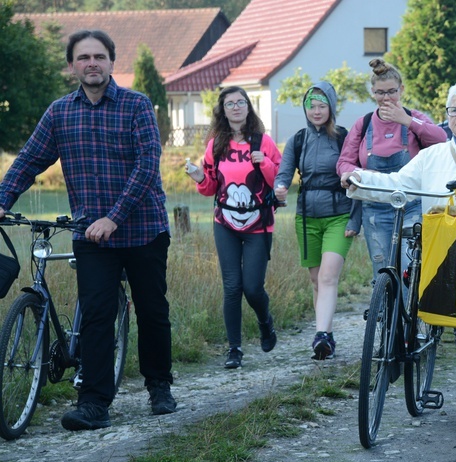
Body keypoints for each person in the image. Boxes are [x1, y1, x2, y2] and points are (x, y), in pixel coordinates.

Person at [0, 30, 176, 431]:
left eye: (99, 56)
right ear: (72, 66)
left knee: (152, 310)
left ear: (113, 62)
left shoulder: (136, 106)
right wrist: (3, 198)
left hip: (143, 228)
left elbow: (147, 167)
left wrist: (114, 217)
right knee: (95, 316)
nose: (92, 63)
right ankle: (94, 403)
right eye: (83, 58)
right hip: (92, 235)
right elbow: (29, 160)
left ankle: (159, 385)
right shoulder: (60, 113)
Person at [341, 82, 456, 431]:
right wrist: (360, 179)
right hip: (451, 260)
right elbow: (398, 183)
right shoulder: (435, 155)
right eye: (453, 110)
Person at [186, 86, 282, 369]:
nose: (236, 107)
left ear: (248, 108)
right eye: (230, 104)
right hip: (224, 223)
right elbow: (210, 187)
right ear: (223, 110)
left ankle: (266, 323)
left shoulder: (263, 141)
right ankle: (234, 350)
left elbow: (279, 181)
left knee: (252, 288)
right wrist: (198, 176)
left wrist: (263, 163)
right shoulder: (216, 143)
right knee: (231, 287)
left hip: (259, 224)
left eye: (241, 102)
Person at [336, 57, 447, 281]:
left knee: (408, 269)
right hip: (375, 209)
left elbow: (441, 139)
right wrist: (350, 174)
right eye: (380, 93)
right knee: (382, 270)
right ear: (373, 93)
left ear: (402, 89)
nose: (385, 98)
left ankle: (409, 314)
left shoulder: (414, 118)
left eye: (391, 91)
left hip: (411, 206)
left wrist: (406, 121)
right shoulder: (364, 123)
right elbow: (344, 162)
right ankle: (384, 314)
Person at [274, 82, 357, 361]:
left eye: (322, 106)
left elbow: (358, 175)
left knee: (327, 276)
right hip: (307, 218)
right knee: (316, 280)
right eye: (312, 106)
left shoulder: (344, 138)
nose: (317, 111)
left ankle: (320, 335)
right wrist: (280, 187)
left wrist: (355, 219)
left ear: (331, 108)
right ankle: (327, 334)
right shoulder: (298, 140)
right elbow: (284, 173)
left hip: (339, 215)